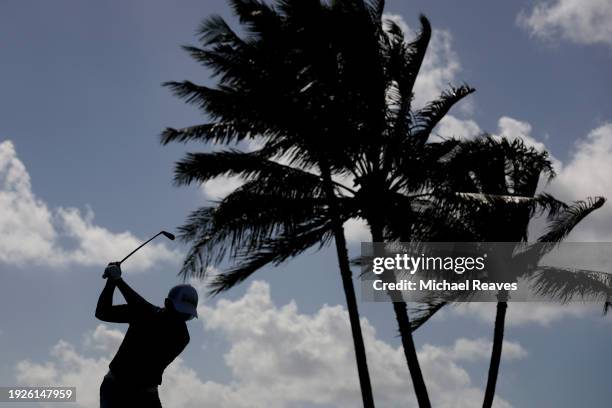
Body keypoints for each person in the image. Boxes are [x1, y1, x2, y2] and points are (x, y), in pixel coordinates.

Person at [95, 262, 198, 408]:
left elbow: (147, 313)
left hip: (145, 396)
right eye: (179, 312)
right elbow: (102, 312)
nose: (180, 319)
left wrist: (117, 280)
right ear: (167, 304)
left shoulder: (181, 337)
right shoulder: (143, 313)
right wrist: (112, 282)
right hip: (115, 390)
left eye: (186, 316)